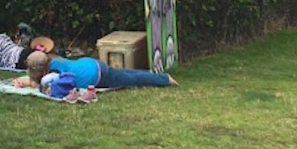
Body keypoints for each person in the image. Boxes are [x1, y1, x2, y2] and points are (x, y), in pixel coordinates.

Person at [14, 51, 178, 92]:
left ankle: (164, 79)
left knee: (131, 80)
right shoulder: (55, 61)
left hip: (96, 75)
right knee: (126, 74)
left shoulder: (53, 72)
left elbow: (52, 88)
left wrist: (35, 86)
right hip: (91, 64)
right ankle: (154, 75)